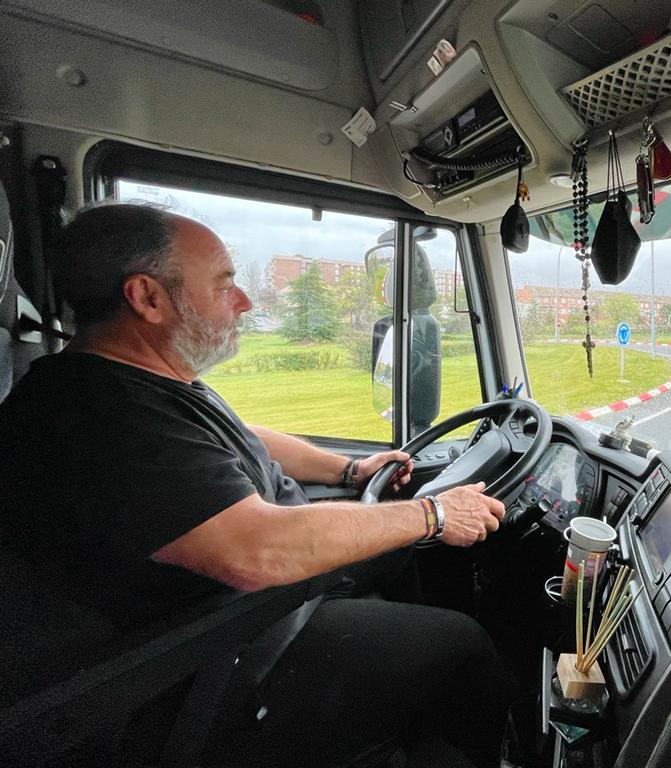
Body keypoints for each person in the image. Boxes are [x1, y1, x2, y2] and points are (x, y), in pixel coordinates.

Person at [0, 204, 510, 767]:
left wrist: (347, 470)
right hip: (210, 664)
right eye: (224, 286)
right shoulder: (98, 416)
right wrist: (434, 515)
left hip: (250, 614)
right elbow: (257, 552)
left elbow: (243, 435)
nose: (244, 302)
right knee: (459, 643)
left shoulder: (141, 380)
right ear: (147, 297)